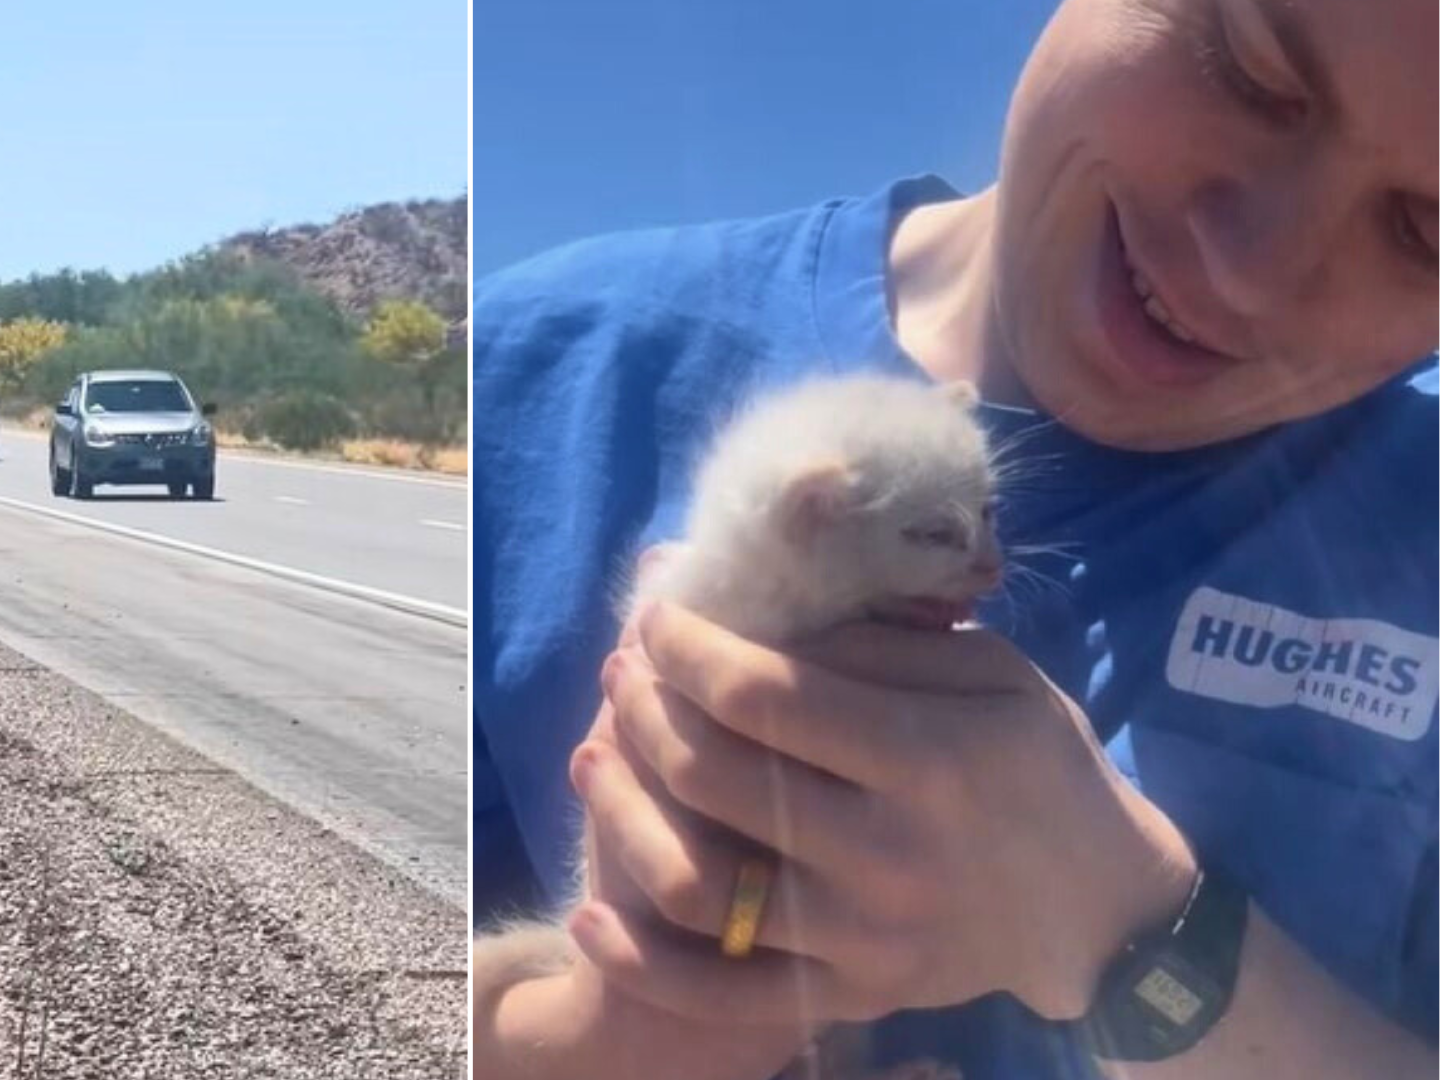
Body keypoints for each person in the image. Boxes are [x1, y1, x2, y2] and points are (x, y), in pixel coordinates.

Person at [471, 1, 1437, 1078]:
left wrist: (1143, 937)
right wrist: (627, 1034)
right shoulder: (529, 377)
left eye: (1428, 231)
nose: (1253, 270)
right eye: (1248, 71)